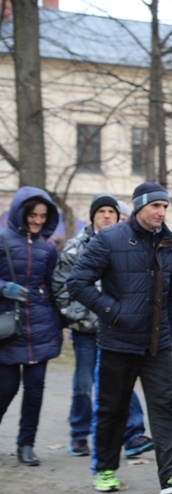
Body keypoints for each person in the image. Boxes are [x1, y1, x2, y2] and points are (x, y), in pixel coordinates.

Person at [67, 182, 172, 494]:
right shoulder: (109, 239)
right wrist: (113, 312)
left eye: (165, 206)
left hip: (157, 346)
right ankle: (104, 470)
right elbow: (78, 282)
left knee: (164, 408)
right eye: (156, 206)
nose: (162, 212)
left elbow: (171, 293)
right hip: (117, 342)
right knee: (112, 409)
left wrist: (170, 331)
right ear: (140, 207)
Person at [52, 194, 154, 459]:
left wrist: (125, 315)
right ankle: (79, 434)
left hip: (118, 328)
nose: (107, 215)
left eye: (112, 211)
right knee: (84, 384)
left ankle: (133, 434)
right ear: (93, 215)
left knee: (122, 382)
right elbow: (63, 288)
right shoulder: (76, 247)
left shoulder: (128, 243)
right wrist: (81, 318)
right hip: (86, 330)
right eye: (102, 211)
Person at [0, 187, 63, 466]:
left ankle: (26, 444)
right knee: (6, 387)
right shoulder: (1, 240)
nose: (37, 221)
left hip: (41, 325)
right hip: (6, 327)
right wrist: (4, 288)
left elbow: (54, 286)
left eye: (42, 216)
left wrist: (63, 319)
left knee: (35, 388)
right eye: (32, 215)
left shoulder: (48, 247)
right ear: (20, 213)